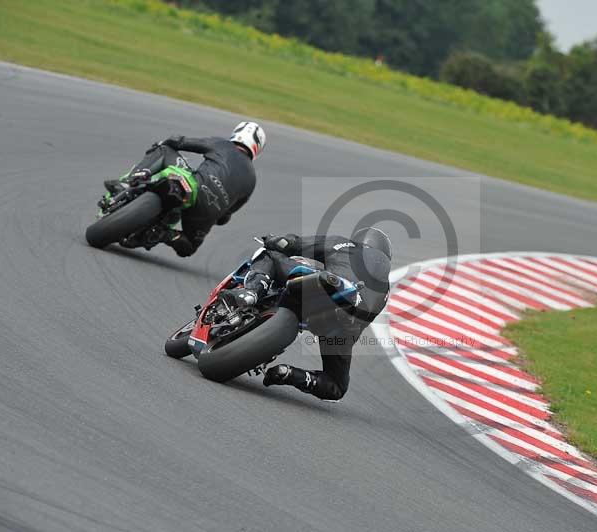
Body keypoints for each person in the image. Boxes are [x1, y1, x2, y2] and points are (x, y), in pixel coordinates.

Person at [225, 227, 392, 401]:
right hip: (343, 323)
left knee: (270, 254)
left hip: (326, 286)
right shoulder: (385, 290)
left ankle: (252, 292)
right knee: (336, 386)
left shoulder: (347, 245)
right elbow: (360, 324)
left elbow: (294, 244)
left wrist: (273, 240)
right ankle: (291, 374)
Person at [106, 121, 266, 256]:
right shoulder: (252, 180)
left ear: (236, 133)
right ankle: (165, 234)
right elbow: (224, 218)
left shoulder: (222, 144)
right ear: (257, 148)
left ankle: (130, 180)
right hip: (207, 213)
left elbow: (179, 141)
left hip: (194, 185)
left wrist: (164, 143)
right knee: (189, 246)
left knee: (165, 150)